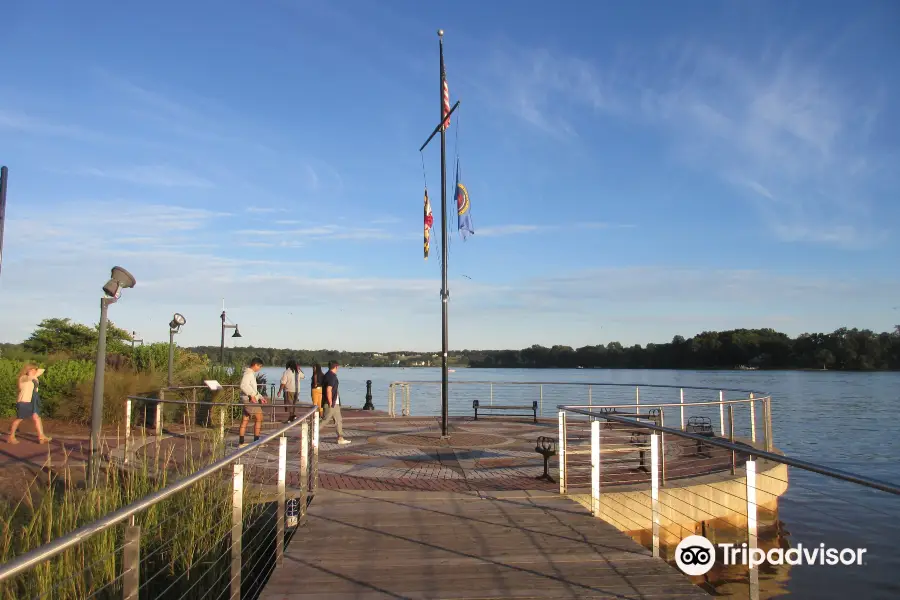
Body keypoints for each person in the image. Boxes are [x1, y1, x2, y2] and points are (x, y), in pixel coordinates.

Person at [8, 364, 51, 444]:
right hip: (25, 400)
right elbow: (31, 376)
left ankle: (41, 437)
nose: (35, 371)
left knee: (37, 417)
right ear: (28, 370)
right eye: (33, 369)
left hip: (33, 400)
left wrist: (35, 369)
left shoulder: (35, 378)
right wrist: (32, 372)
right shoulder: (23, 378)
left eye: (35, 370)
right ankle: (11, 437)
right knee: (19, 418)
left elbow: (42, 370)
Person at [238, 357, 268, 446]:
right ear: (255, 365)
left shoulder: (249, 373)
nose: (260, 369)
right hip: (249, 399)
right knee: (259, 418)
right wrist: (251, 395)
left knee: (245, 419)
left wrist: (260, 397)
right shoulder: (249, 374)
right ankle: (256, 441)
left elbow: (253, 389)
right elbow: (243, 385)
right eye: (260, 366)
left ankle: (241, 442)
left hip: (247, 398)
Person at [319, 361, 350, 444]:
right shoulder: (331, 376)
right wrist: (330, 402)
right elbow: (328, 389)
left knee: (338, 420)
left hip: (334, 403)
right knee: (325, 420)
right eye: (338, 367)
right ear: (336, 367)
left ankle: (340, 438)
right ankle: (310, 433)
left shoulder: (327, 375)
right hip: (331, 403)